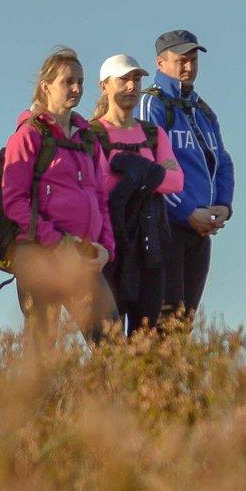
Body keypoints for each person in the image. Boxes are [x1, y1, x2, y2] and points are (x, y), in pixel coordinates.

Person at [1, 46, 118, 345]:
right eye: (68, 81)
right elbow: (14, 201)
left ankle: (111, 395)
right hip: (40, 254)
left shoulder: (88, 138)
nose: (77, 88)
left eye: (80, 81)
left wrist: (106, 248)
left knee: (112, 344)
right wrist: (57, 243)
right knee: (43, 352)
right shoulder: (29, 134)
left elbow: (101, 199)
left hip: (85, 256)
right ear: (46, 86)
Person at [135, 30, 233, 322]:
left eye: (193, 60)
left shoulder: (203, 110)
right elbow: (150, 169)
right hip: (166, 227)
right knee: (160, 318)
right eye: (181, 60)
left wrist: (223, 206)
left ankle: (175, 369)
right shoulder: (151, 105)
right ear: (161, 63)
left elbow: (223, 162)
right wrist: (187, 210)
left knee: (183, 321)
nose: (189, 67)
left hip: (201, 230)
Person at [90, 53, 183, 335]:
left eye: (136, 79)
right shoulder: (92, 133)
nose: (132, 86)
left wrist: (130, 171)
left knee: (147, 332)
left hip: (150, 245)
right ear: (105, 86)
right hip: (112, 245)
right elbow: (101, 183)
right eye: (124, 80)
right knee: (110, 335)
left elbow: (176, 181)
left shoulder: (153, 133)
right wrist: (153, 170)